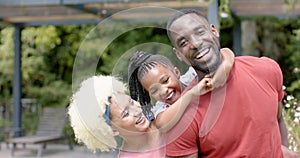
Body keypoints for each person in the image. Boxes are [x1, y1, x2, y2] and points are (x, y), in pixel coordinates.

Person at [163, 8, 298, 157]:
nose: (195, 43)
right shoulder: (183, 117)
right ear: (179, 55)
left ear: (213, 31)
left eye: (200, 32)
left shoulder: (266, 70)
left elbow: (278, 120)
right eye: (184, 42)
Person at [68, 75, 212, 158]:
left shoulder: (164, 113)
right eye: (125, 114)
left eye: (131, 102)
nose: (136, 111)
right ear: (112, 130)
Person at [128, 49, 234, 131]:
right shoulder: (163, 108)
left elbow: (224, 52)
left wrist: (227, 64)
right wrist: (191, 94)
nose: (163, 91)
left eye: (165, 81)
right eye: (155, 91)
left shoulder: (191, 77)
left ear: (177, 72)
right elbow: (162, 123)